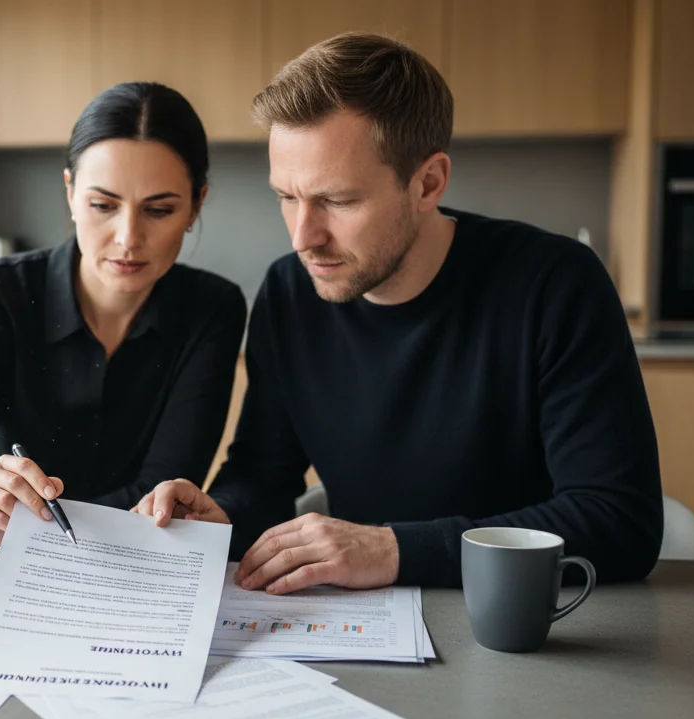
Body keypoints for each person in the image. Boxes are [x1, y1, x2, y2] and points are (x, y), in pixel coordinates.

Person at [133, 33, 664, 592]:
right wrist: (220, 517)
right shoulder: (290, 292)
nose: (302, 237)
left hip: (530, 627)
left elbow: (618, 521)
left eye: (337, 200)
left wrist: (392, 548)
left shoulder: (556, 285)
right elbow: (264, 472)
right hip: (371, 626)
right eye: (286, 196)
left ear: (428, 183)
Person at [0, 82, 248, 566]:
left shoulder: (213, 309)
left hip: (130, 582)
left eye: (159, 210)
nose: (128, 238)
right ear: (70, 193)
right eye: (103, 205)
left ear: (196, 205)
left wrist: (30, 533)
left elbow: (159, 498)